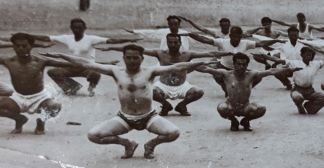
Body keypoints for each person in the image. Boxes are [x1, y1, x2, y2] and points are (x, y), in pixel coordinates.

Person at [41, 45, 210, 159]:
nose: (132, 61)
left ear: (142, 58)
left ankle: (150, 145)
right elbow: (86, 63)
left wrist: (199, 62)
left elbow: (177, 67)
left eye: (135, 58)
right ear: (124, 58)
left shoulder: (150, 71)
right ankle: (127, 144)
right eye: (128, 58)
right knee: (93, 135)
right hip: (125, 117)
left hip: (149, 116)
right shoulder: (116, 71)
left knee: (173, 133)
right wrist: (60, 55)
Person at [97, 33, 232, 116]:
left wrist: (229, 53)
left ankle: (182, 105)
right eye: (170, 42)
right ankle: (166, 105)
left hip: (182, 86)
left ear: (180, 43)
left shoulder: (188, 54)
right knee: (149, 91)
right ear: (167, 43)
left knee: (198, 92)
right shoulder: (160, 53)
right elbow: (137, 49)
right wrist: (110, 47)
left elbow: (210, 53)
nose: (173, 44)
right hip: (163, 86)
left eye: (175, 42)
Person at [26, 18, 140, 96]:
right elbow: (47, 38)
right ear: (71, 28)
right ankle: (72, 87)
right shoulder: (67, 38)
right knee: (52, 72)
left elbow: (111, 40)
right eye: (74, 28)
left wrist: (128, 39)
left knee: (96, 73)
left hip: (87, 68)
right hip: (71, 67)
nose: (77, 30)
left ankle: (91, 88)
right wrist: (27, 36)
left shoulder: (91, 39)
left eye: (80, 28)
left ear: (84, 28)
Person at [196, 53, 301, 131]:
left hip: (245, 106)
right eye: (238, 64)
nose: (241, 67)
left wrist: (290, 70)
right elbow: (205, 69)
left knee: (261, 109)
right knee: (221, 108)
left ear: (247, 65)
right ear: (234, 64)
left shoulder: (251, 74)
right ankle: (233, 121)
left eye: (244, 64)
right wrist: (198, 64)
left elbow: (271, 71)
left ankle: (246, 121)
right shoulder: (226, 74)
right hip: (230, 105)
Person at [0, 33, 72, 134]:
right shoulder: (8, 60)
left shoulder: (41, 61)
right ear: (14, 47)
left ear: (31, 46)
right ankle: (19, 119)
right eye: (17, 46)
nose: (20, 48)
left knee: (55, 106)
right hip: (18, 97)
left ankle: (41, 122)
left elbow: (73, 63)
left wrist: (62, 55)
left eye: (24, 46)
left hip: (39, 97)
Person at [184, 26, 286, 95]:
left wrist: (276, 40)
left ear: (241, 36)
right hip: (224, 68)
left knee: (258, 77)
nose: (237, 39)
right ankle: (227, 89)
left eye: (239, 37)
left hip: (240, 69)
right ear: (230, 36)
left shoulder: (245, 43)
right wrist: (189, 34)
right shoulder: (222, 42)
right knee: (217, 76)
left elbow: (262, 44)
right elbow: (205, 39)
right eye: (234, 37)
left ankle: (243, 90)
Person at [254, 47, 324, 114]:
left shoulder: (315, 64)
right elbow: (278, 60)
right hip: (298, 90)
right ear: (301, 55)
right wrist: (265, 56)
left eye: (310, 55)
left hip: (311, 91)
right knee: (297, 98)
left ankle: (309, 106)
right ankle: (299, 106)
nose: (308, 57)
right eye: (306, 55)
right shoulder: (295, 63)